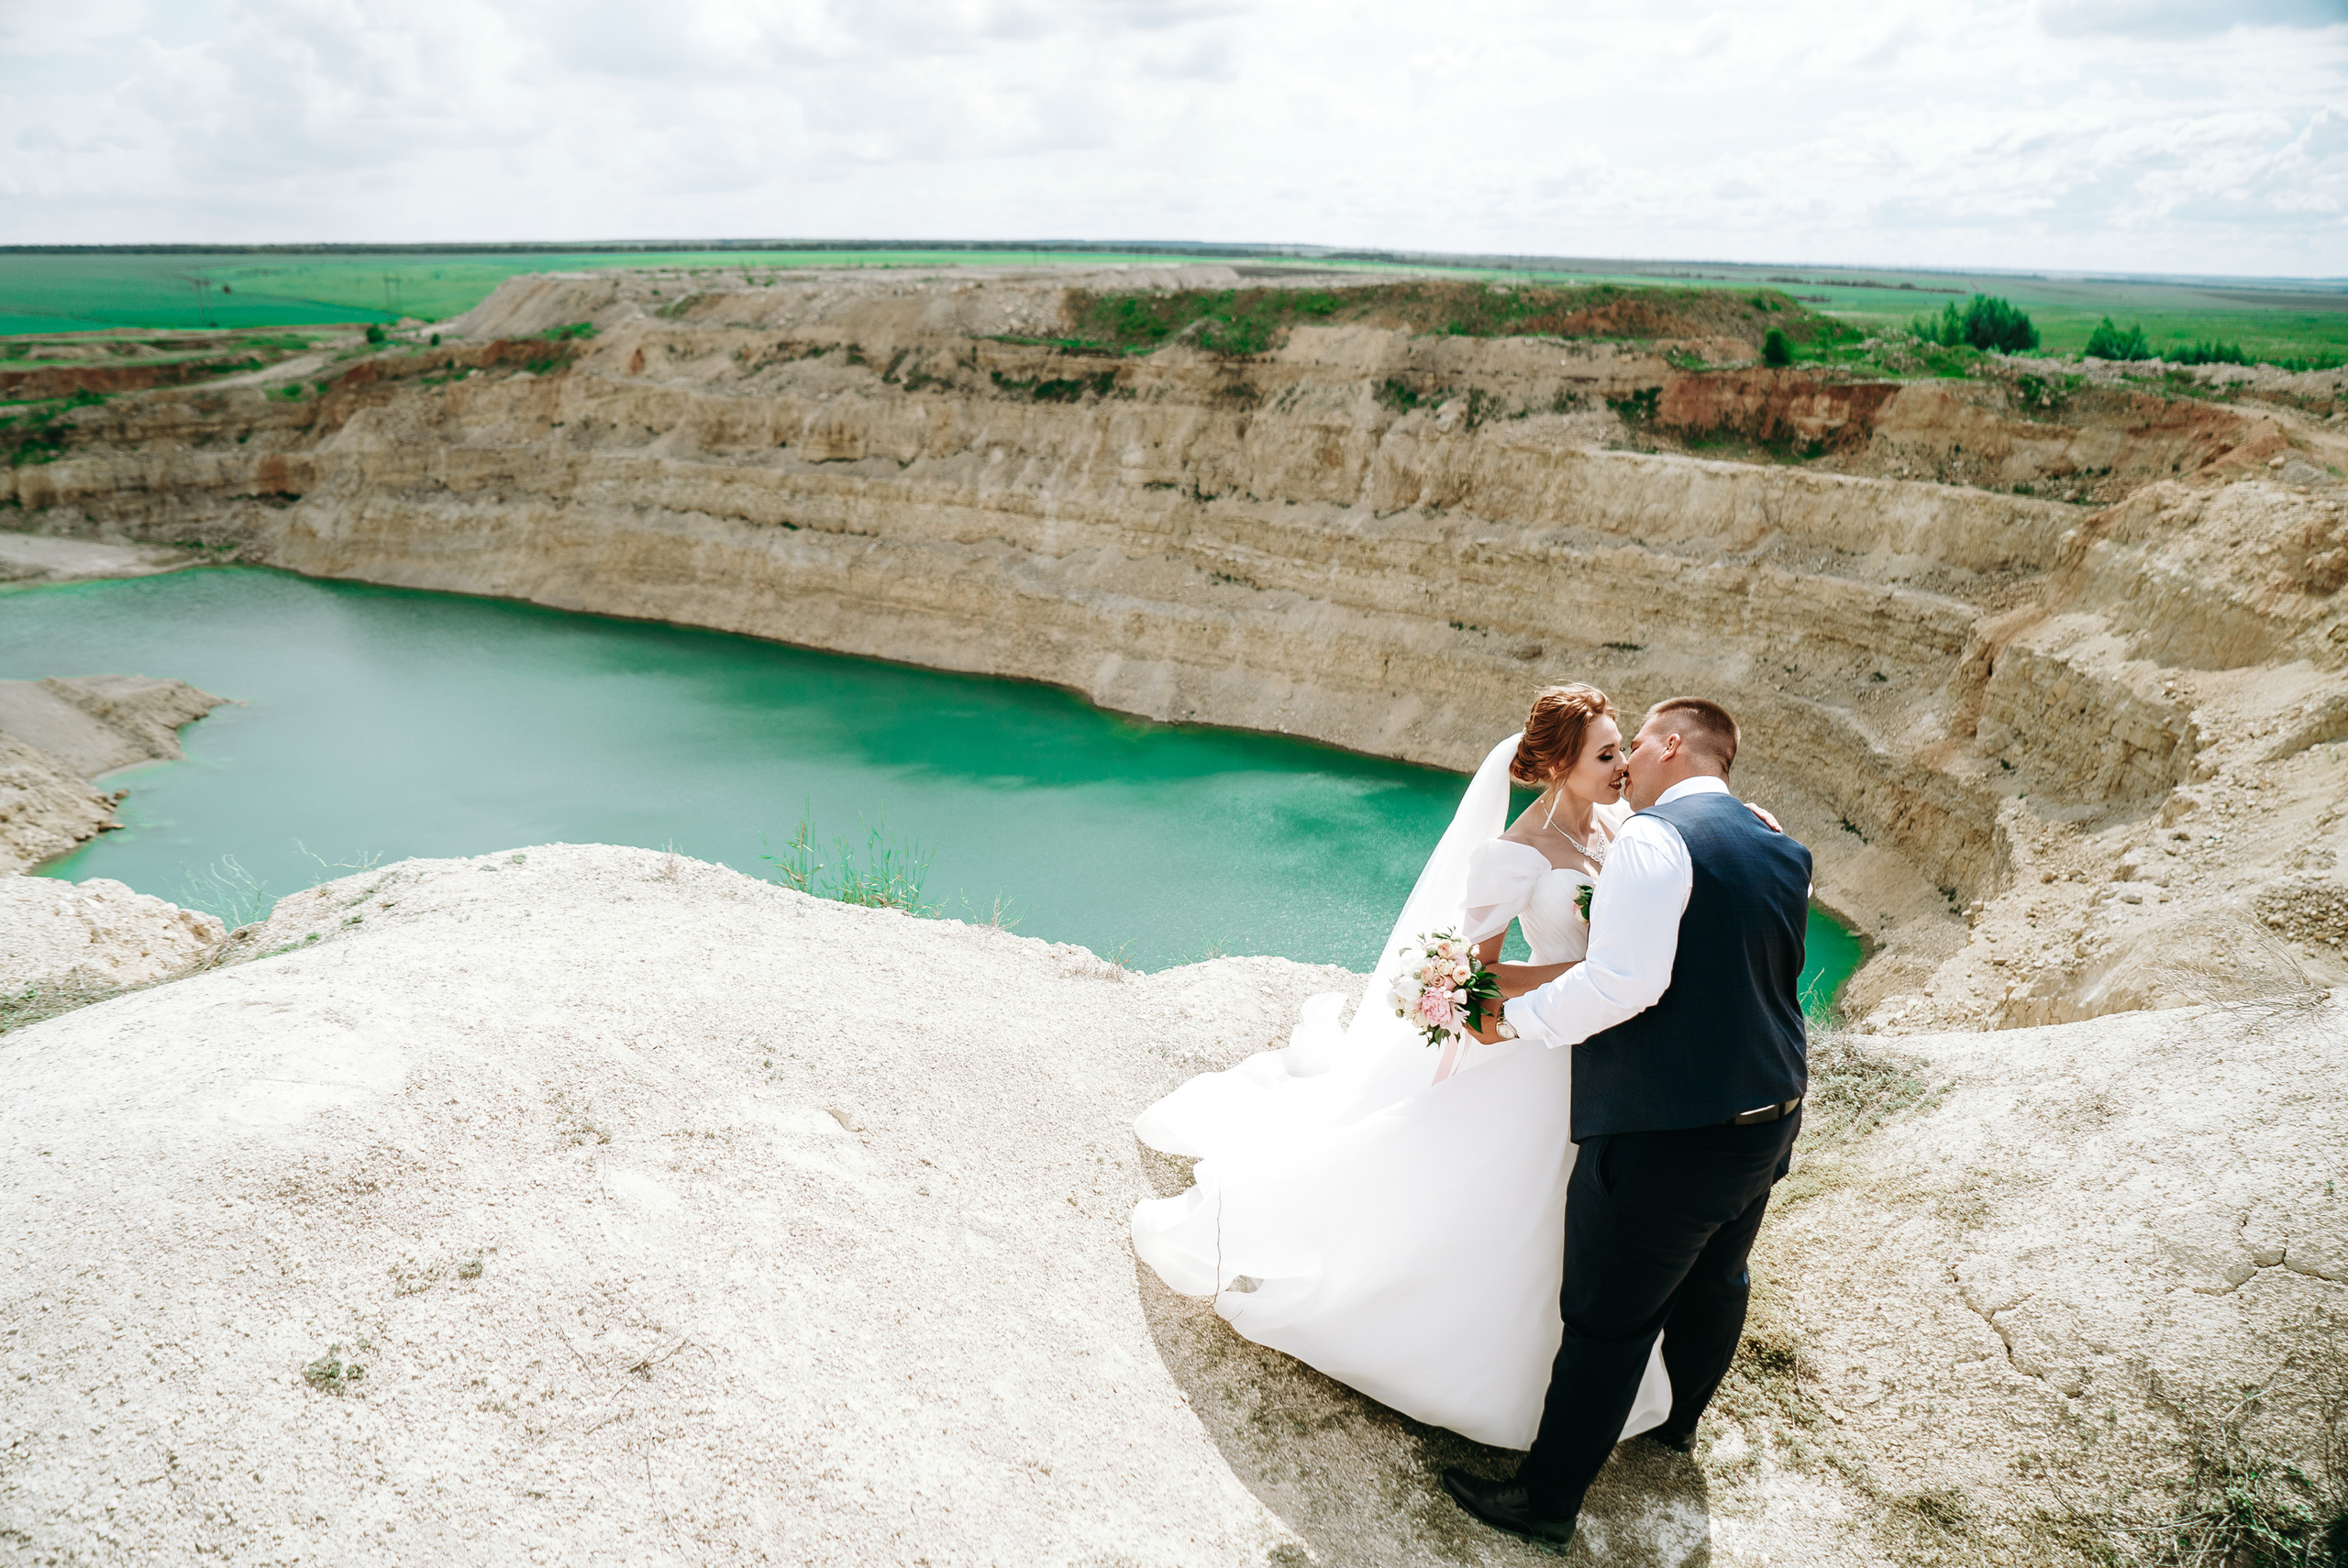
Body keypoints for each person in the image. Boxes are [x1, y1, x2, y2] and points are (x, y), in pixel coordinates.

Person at [1128, 684, 1675, 1448]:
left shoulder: (1623, 826)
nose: (1622, 766)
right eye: (1606, 754)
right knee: (1522, 1201)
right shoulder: (1514, 856)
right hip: (1552, 1053)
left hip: (1609, 1043)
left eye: (1621, 749)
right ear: (1558, 764)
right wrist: (1573, 976)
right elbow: (1477, 980)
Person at [1440, 696, 1811, 1551]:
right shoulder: (1773, 840)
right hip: (1771, 1112)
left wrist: (1513, 1023)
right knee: (1721, 1279)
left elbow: (1625, 984)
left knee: (1608, 1320)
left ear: (1671, 746)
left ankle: (1545, 1502)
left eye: (1634, 744)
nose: (1626, 763)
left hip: (1672, 1126)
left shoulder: (1651, 838)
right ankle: (1677, 1427)